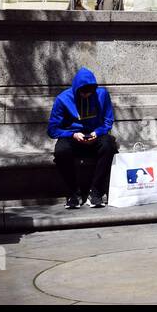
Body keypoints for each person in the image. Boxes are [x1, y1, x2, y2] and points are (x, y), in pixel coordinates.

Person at [48, 67, 118, 209]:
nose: (86, 95)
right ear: (76, 89)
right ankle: (74, 193)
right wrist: (72, 134)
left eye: (90, 93)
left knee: (109, 145)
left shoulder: (102, 95)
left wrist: (97, 133)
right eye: (83, 92)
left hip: (95, 136)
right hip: (73, 137)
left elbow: (108, 121)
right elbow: (52, 130)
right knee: (61, 151)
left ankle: (96, 192)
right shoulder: (63, 99)